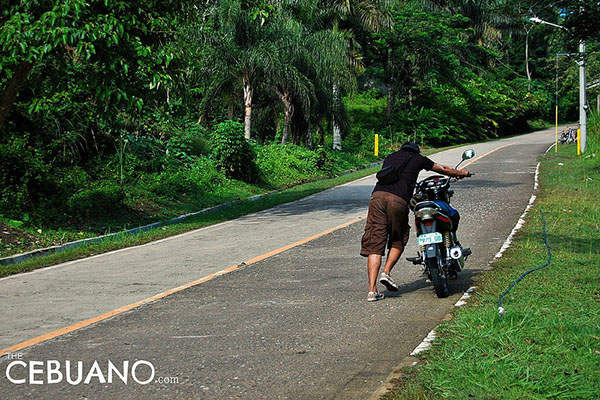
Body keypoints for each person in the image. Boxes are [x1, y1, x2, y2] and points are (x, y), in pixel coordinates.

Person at [360, 142, 470, 302]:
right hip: (398, 200)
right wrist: (461, 173)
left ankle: (372, 291)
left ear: (402, 149)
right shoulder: (418, 159)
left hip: (376, 197)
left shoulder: (391, 157)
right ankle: (386, 272)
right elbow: (443, 170)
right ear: (416, 151)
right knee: (398, 238)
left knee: (375, 242)